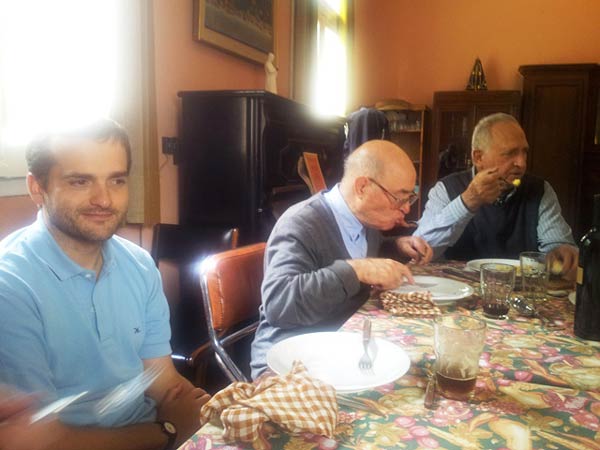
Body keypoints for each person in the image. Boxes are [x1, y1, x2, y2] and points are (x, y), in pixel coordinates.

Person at [0, 119, 210, 450]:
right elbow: (37, 443)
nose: (104, 199)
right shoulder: (10, 287)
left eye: (117, 180)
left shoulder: (139, 265)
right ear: (37, 187)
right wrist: (167, 431)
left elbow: (162, 380)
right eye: (80, 181)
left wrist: (205, 412)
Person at [250, 140, 433, 379]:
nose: (407, 208)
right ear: (363, 187)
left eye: (411, 197)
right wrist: (355, 271)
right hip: (291, 360)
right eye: (400, 198)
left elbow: (360, 254)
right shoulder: (300, 223)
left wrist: (397, 246)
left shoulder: (365, 219)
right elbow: (279, 304)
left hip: (343, 344)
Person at [414, 113, 578, 278]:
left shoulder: (539, 190)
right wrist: (469, 200)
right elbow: (420, 251)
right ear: (478, 157)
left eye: (524, 152)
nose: (521, 163)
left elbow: (556, 246)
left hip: (520, 289)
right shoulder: (446, 189)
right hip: (459, 287)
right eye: (510, 153)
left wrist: (562, 253)